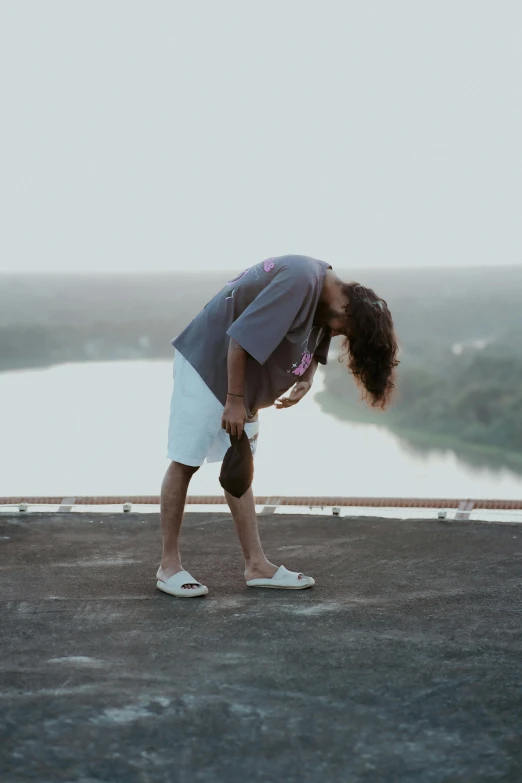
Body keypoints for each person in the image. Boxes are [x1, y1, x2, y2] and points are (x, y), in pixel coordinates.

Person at [157, 254, 399, 597]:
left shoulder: (328, 292)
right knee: (186, 460)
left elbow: (322, 326)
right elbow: (239, 339)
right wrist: (235, 400)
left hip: (242, 379)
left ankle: (256, 565)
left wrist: (309, 372)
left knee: (240, 465)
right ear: (346, 310)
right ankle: (169, 567)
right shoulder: (299, 280)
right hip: (208, 364)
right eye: (344, 330)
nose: (336, 334)